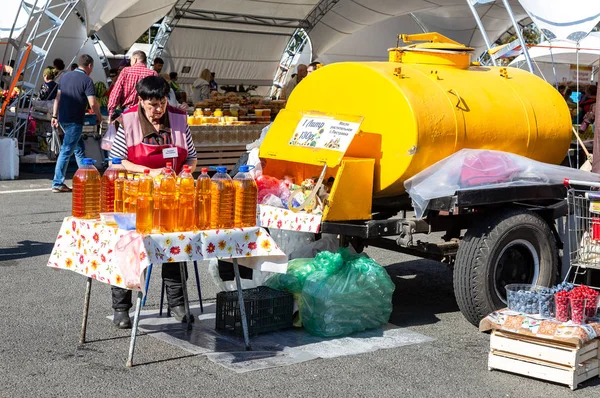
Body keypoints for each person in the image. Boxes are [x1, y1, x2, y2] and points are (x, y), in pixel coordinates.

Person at [108, 75, 198, 328]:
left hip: (172, 198)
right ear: (140, 101)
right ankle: (121, 307)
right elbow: (117, 160)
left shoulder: (179, 120)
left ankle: (178, 304)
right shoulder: (127, 121)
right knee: (129, 248)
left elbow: (191, 156)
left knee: (175, 246)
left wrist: (185, 172)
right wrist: (149, 173)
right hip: (135, 198)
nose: (158, 110)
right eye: (152, 105)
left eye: (161, 104)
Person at [50, 54, 102, 193]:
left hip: (63, 118)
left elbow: (58, 98)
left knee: (78, 149)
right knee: (66, 150)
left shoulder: (65, 77)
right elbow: (92, 103)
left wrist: (54, 115)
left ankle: (85, 178)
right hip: (75, 120)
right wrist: (99, 116)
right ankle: (57, 182)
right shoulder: (87, 80)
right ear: (89, 65)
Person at [107, 50, 157, 121]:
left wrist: (111, 111)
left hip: (128, 111)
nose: (130, 62)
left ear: (135, 59)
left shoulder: (126, 71)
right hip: (146, 112)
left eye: (130, 60)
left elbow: (116, 92)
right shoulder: (153, 74)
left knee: (129, 131)